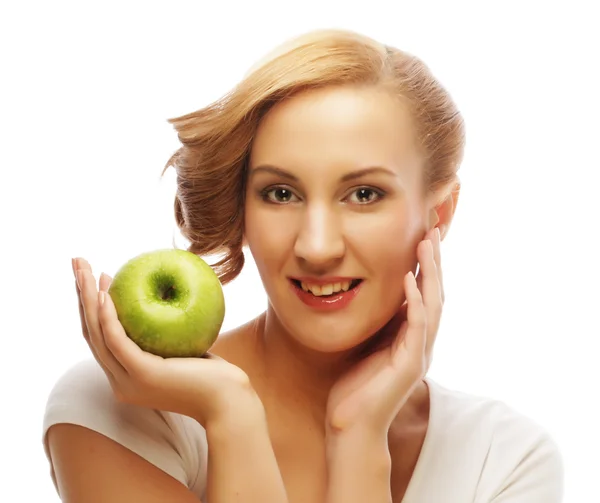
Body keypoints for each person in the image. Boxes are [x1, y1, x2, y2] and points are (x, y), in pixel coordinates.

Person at [42, 29, 564, 502]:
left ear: (438, 215)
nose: (316, 247)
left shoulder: (506, 462)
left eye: (364, 194)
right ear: (242, 209)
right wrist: (232, 418)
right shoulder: (115, 414)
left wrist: (358, 438)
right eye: (281, 193)